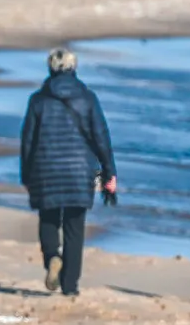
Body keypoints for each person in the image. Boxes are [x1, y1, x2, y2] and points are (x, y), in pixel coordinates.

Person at [20, 48, 117, 297]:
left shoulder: (38, 100)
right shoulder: (88, 98)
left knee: (49, 220)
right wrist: (109, 172)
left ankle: (53, 257)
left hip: (45, 170)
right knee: (75, 228)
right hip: (80, 173)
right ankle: (70, 287)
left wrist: (26, 175)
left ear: (50, 69)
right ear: (74, 69)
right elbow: (101, 138)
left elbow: (28, 142)